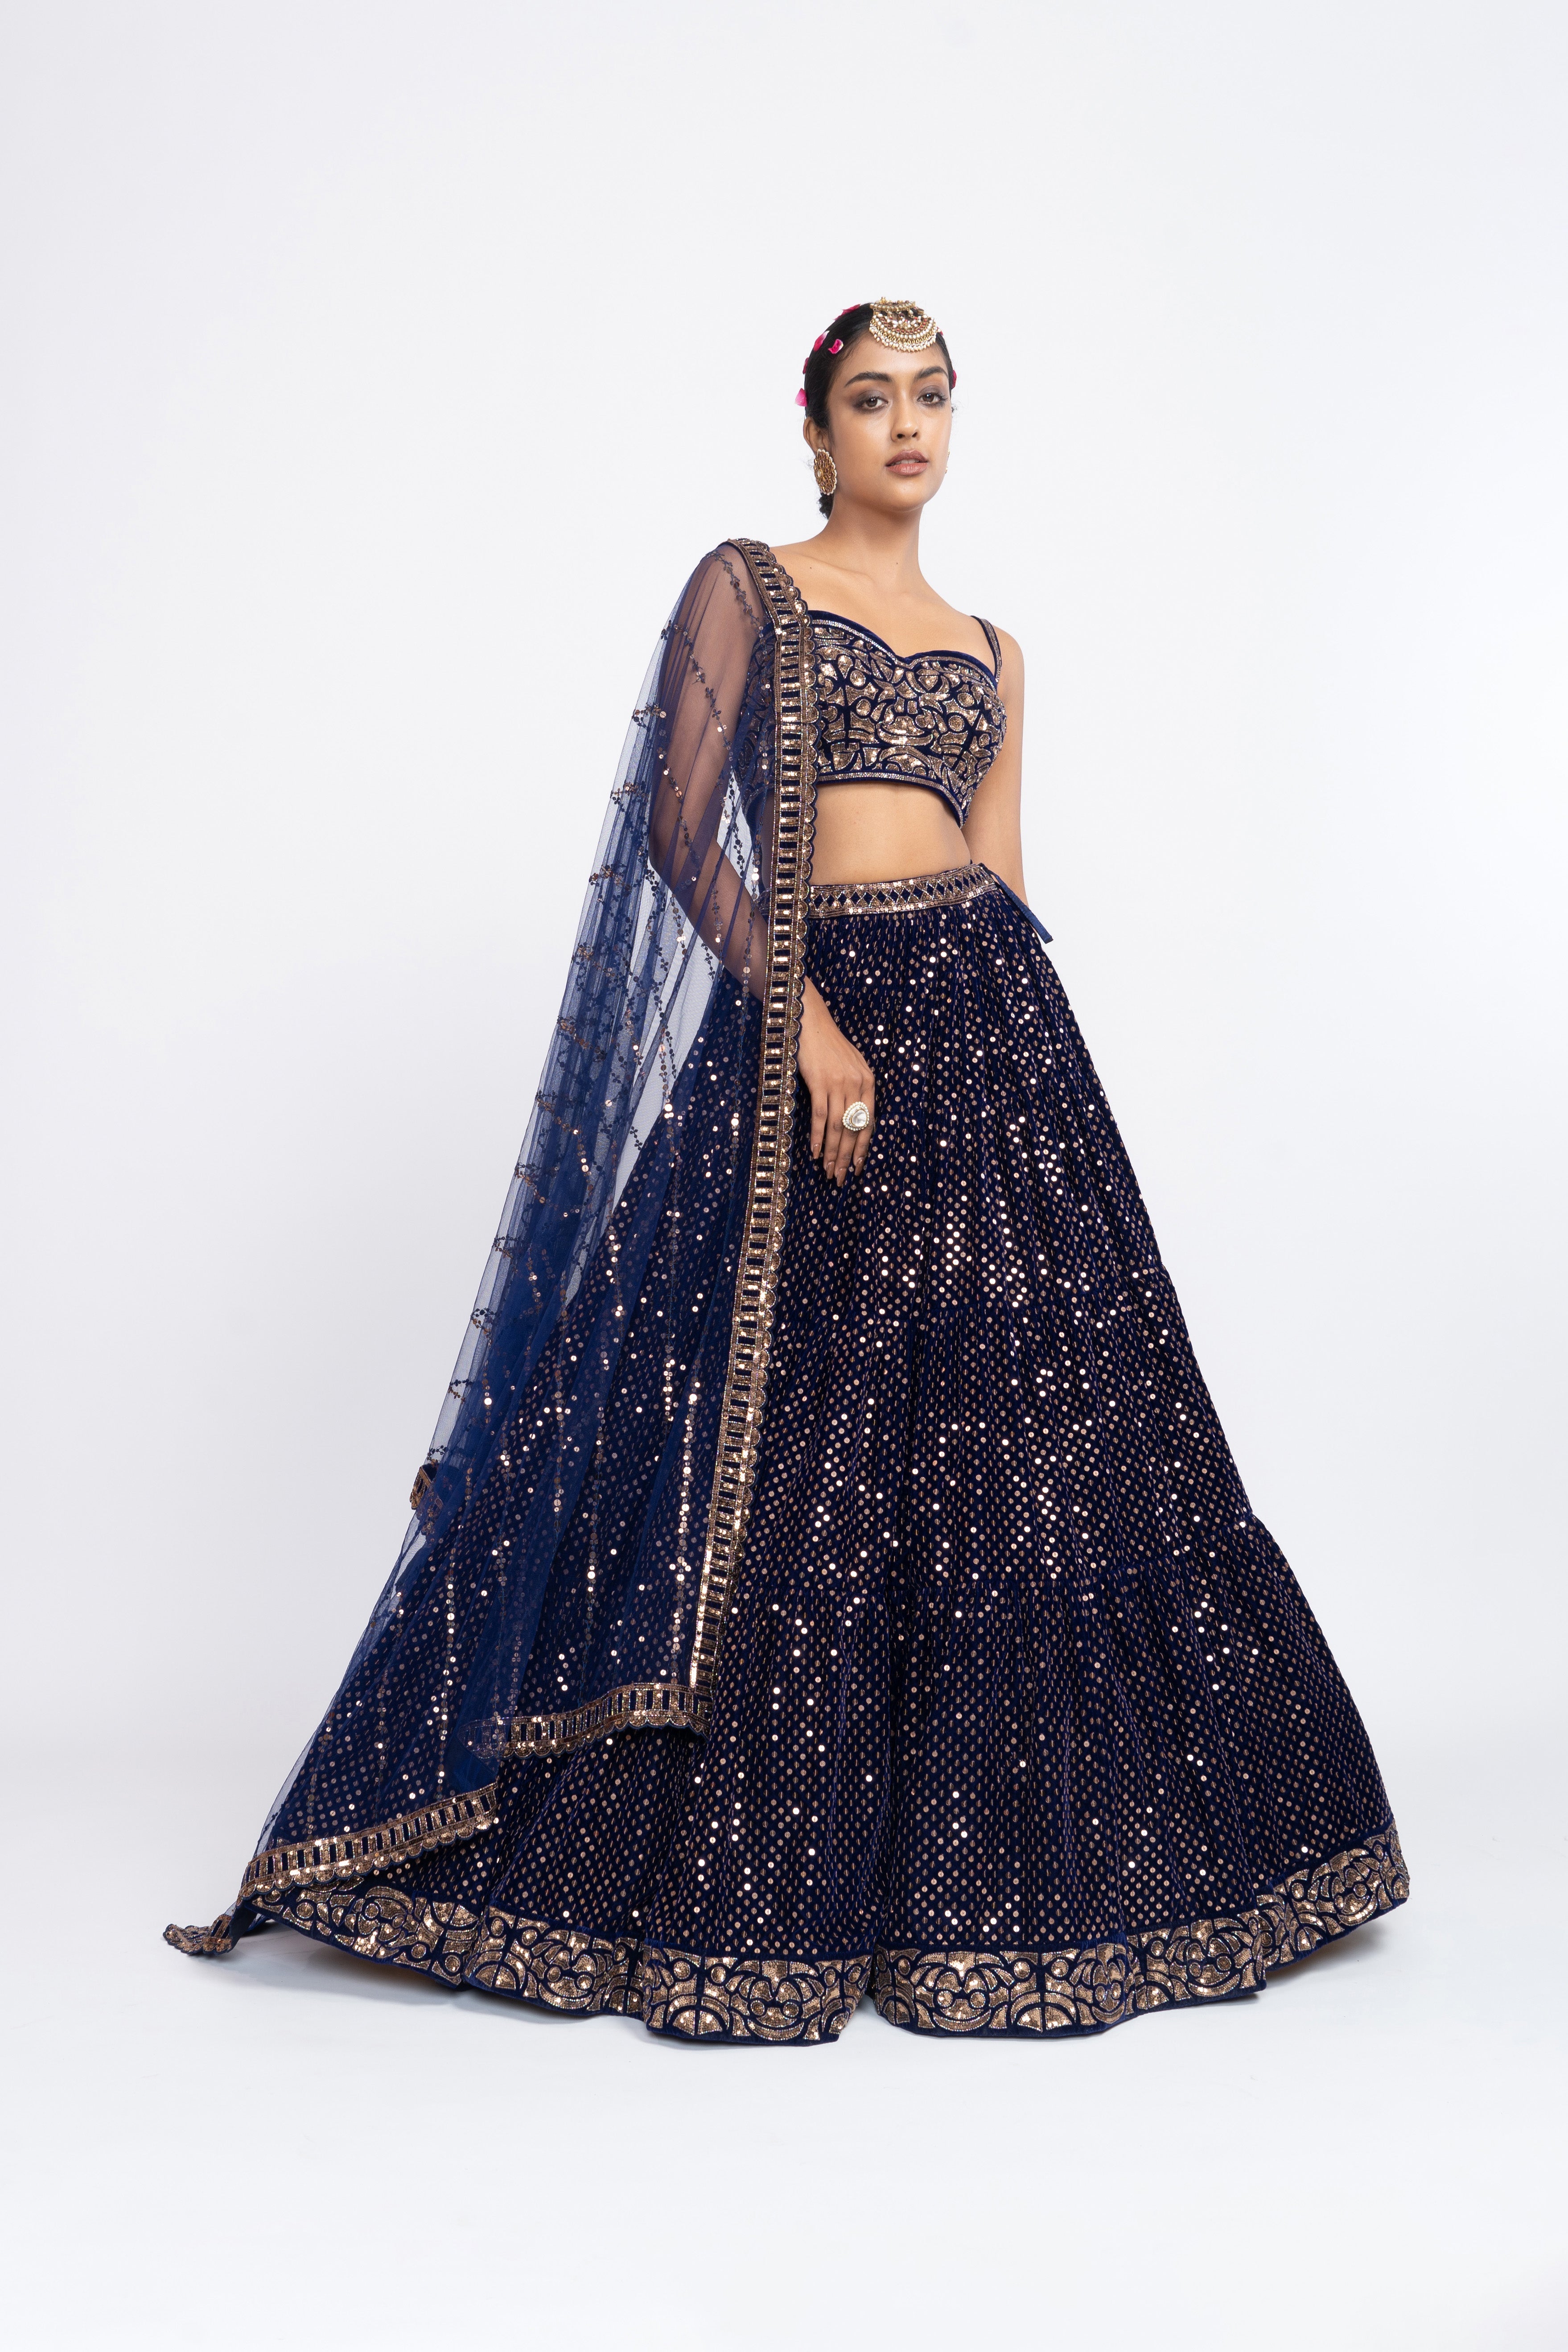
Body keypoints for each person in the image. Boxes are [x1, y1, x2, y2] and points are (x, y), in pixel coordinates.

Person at [168, 299, 1407, 2039]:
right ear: (815, 432)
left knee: (1015, 1447)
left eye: (933, 396)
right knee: (773, 1433)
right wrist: (806, 1015)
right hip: (808, 1034)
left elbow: (1005, 874)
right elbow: (684, 829)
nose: (908, 424)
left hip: (991, 1036)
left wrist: (1020, 1085)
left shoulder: (995, 647)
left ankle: (999, 1872)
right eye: (872, 398)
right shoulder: (749, 587)